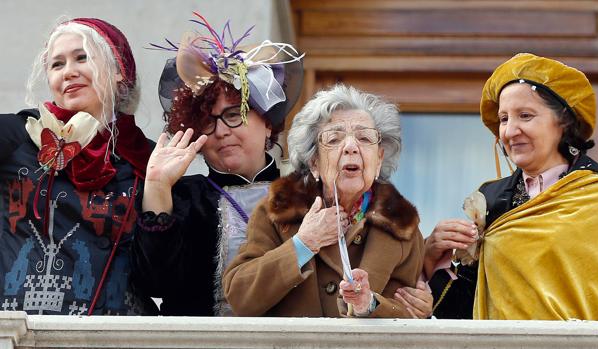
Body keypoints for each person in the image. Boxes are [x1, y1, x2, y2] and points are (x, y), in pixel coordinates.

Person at [406, 53, 598, 320]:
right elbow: (467, 313)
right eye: (504, 119)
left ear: (563, 122)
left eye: (525, 116)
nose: (509, 131)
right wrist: (432, 257)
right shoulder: (490, 199)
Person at [129, 13, 304, 316]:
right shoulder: (185, 197)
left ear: (268, 124)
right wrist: (157, 188)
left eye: (234, 115)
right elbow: (154, 283)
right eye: (208, 122)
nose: (221, 131)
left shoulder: (307, 194)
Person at [223, 84, 426, 318]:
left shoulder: (402, 226)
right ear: (314, 162)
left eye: (364, 137)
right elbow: (240, 297)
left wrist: (368, 304)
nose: (351, 147)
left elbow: (409, 314)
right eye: (334, 139)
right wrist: (303, 244)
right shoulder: (278, 210)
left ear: (379, 159)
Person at [0, 18, 156, 315]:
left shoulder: (148, 158)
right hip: (18, 335)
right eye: (57, 65)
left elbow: (161, 273)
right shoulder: (21, 133)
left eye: (82, 58)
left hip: (118, 333)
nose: (69, 71)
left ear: (119, 71)